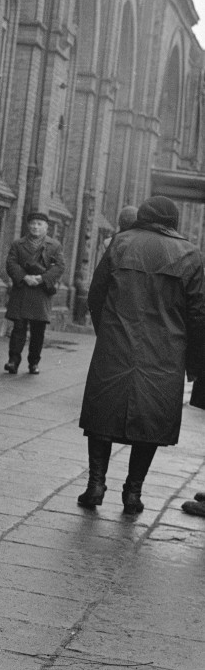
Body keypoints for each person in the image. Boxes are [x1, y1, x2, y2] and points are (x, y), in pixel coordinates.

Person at [76, 195, 205, 514]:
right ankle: (133, 493)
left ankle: (95, 484)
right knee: (152, 420)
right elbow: (198, 314)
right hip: (166, 351)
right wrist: (193, 361)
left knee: (102, 412)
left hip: (116, 342)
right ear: (173, 221)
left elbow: (96, 295)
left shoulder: (120, 243)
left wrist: (105, 333)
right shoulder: (190, 253)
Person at [3, 211, 65, 375]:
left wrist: (42, 278)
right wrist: (24, 277)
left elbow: (59, 267)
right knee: (18, 329)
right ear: (28, 225)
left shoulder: (54, 246)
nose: (35, 227)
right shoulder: (18, 244)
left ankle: (33, 363)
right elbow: (11, 263)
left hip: (41, 292)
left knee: (38, 331)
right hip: (23, 290)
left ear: (46, 227)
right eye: (33, 223)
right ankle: (13, 361)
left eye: (39, 224)